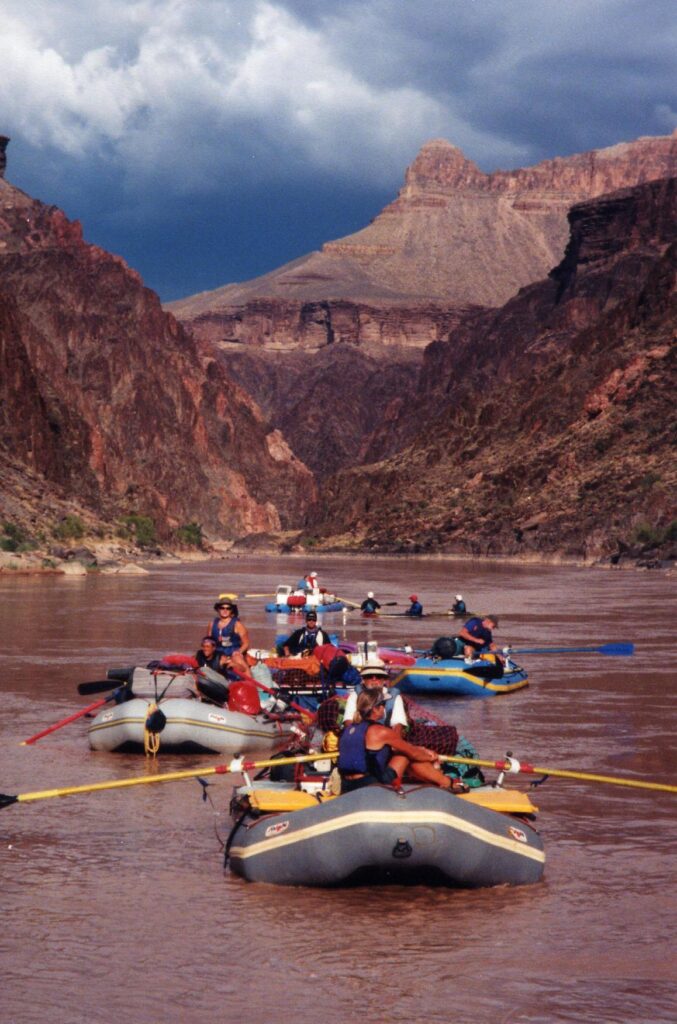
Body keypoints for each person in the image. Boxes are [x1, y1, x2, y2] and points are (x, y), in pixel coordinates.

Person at [338, 688, 467, 794]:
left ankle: (440, 781)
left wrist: (421, 751)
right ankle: (447, 783)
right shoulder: (381, 731)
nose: (385, 708)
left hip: (347, 786)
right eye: (383, 705)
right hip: (370, 786)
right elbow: (413, 753)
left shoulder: (350, 729)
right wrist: (431, 757)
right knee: (405, 755)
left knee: (401, 753)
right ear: (375, 709)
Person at [342, 661, 408, 738]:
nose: (374, 679)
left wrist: (395, 743)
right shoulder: (355, 695)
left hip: (386, 736)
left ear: (384, 679)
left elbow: (398, 724)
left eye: (378, 676)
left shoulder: (394, 696)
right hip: (360, 736)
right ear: (363, 679)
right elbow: (348, 721)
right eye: (370, 676)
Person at [205, 594, 250, 675]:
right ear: (218, 609)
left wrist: (238, 652)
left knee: (239, 661)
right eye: (222, 608)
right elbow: (208, 642)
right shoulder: (211, 624)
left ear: (231, 610)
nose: (225, 610)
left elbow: (246, 643)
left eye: (228, 608)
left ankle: (251, 683)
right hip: (218, 653)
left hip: (233, 652)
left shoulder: (237, 624)